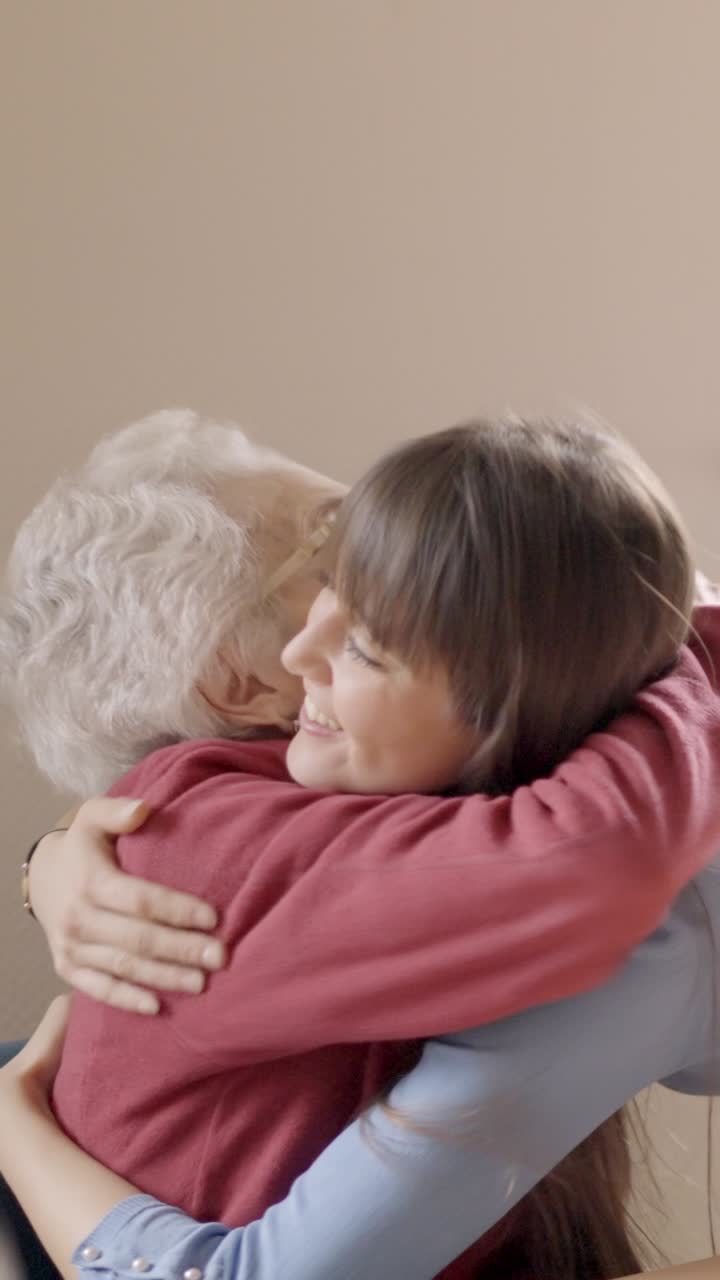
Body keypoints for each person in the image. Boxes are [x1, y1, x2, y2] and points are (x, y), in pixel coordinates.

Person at [2, 414, 720, 1279]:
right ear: (242, 683)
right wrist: (658, 642)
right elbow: (594, 856)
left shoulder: (360, 807)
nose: (395, 556)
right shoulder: (208, 844)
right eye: (333, 553)